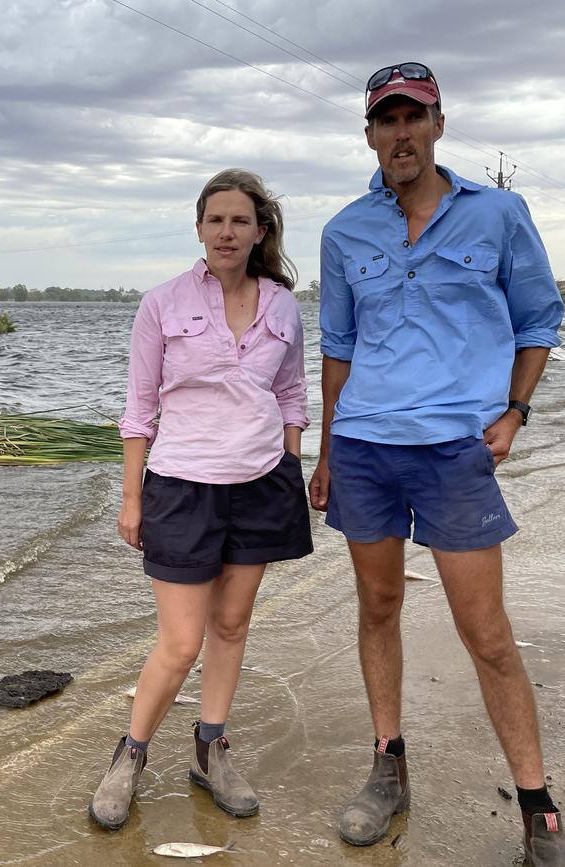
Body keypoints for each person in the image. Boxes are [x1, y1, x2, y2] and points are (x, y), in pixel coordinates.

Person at [309, 62, 564, 864]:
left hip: (455, 449)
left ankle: (538, 805)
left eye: (413, 117)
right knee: (377, 608)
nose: (400, 134)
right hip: (364, 446)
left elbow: (539, 320)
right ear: (370, 135)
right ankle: (389, 765)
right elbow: (338, 349)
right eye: (386, 121)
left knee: (485, 632)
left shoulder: (499, 215)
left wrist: (516, 412)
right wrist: (325, 448)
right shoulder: (346, 230)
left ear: (439, 124)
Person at [89, 168, 313, 830]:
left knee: (233, 624)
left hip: (262, 483)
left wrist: (292, 464)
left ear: (260, 230)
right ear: (198, 228)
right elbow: (138, 410)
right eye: (215, 219)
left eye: (239, 219)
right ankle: (129, 755)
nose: (226, 230)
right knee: (181, 640)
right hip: (182, 485)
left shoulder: (282, 306)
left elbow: (293, 393)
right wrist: (132, 497)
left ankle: (211, 748)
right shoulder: (161, 303)